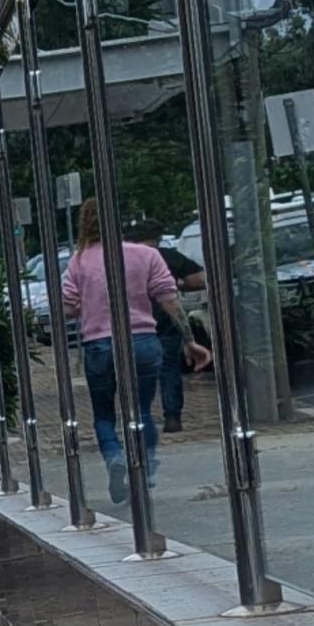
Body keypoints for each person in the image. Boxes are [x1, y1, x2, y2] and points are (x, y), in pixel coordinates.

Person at [62, 200, 211, 504]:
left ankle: (115, 458)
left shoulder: (79, 261)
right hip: (143, 340)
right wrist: (189, 341)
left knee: (104, 414)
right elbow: (170, 300)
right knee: (142, 410)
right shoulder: (146, 255)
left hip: (99, 344)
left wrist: (88, 304)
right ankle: (144, 469)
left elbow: (67, 306)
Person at [124, 220, 207, 433]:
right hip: (164, 323)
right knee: (168, 370)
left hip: (131, 324)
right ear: (157, 238)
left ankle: (139, 418)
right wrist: (179, 285)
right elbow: (199, 279)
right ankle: (172, 417)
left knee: (135, 373)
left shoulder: (121, 259)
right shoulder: (166, 256)